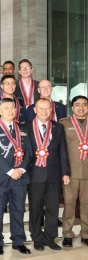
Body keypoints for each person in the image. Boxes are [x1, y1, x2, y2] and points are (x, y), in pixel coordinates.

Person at [0, 98, 33, 256]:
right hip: (2, 177)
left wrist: (21, 169)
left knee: (18, 210)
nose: (10, 110)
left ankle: (18, 241)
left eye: (13, 108)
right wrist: (10, 171)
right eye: (6, 108)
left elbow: (29, 152)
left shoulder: (22, 127)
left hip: (20, 177)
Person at [27, 98, 70, 251]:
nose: (44, 111)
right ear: (35, 110)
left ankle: (50, 238)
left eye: (47, 108)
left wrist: (65, 172)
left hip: (54, 174)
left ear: (51, 110)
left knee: (53, 208)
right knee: (35, 208)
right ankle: (37, 238)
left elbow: (62, 151)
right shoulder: (27, 127)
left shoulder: (58, 127)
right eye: (41, 108)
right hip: (35, 175)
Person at [60, 95, 88, 247]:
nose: (81, 107)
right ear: (72, 107)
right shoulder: (64, 123)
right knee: (69, 204)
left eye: (84, 104)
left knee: (87, 204)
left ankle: (86, 233)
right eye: (77, 104)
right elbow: (60, 149)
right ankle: (67, 234)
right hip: (70, 172)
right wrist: (63, 171)